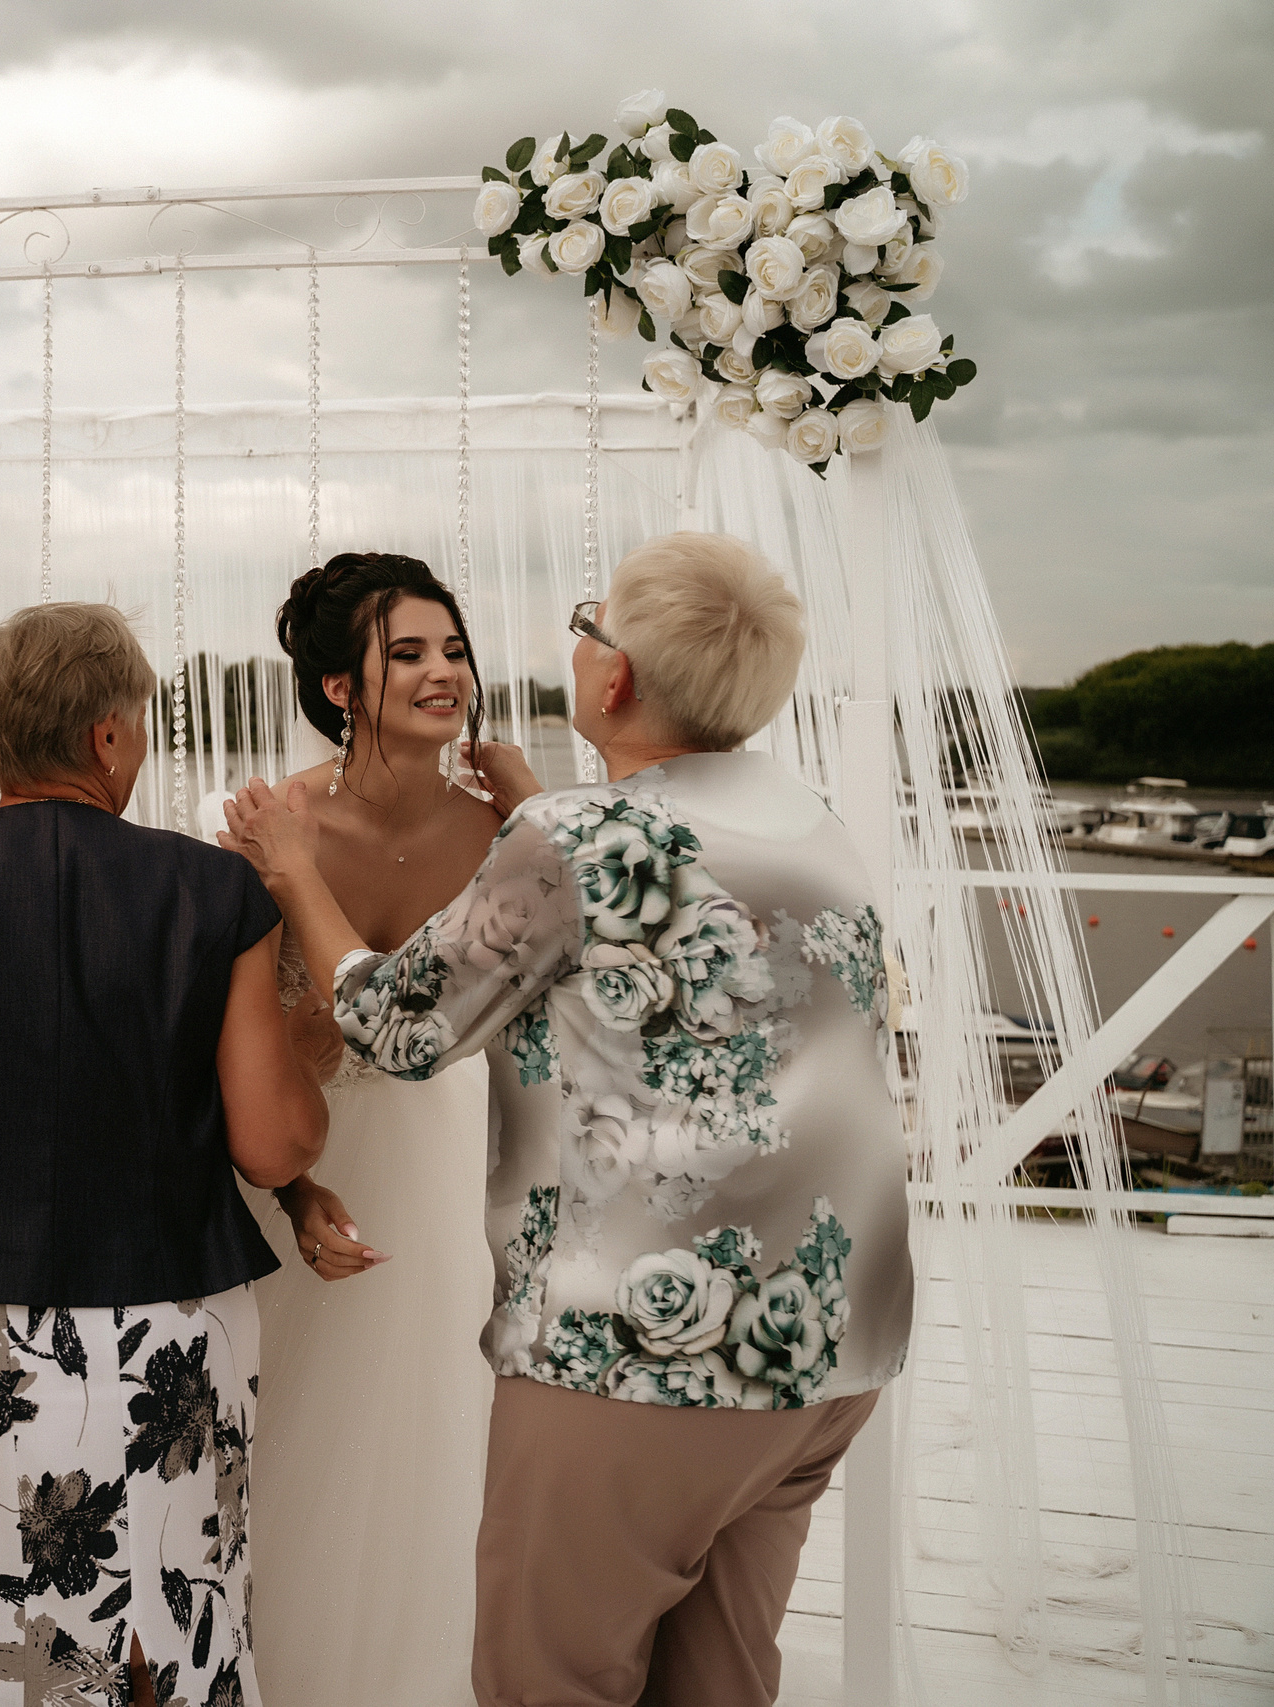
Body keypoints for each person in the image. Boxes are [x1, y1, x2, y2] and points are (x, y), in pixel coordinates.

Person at [224, 532, 914, 1707]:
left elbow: (400, 1029)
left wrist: (292, 876)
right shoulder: (811, 820)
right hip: (831, 1342)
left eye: (590, 625)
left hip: (644, 1360)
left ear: (618, 680)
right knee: (722, 1679)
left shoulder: (574, 838)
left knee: (552, 1680)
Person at [0, 601, 330, 1707]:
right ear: (106, 735)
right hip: (165, 1324)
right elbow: (271, 1139)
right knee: (169, 1620)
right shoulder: (212, 891)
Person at [230, 553, 540, 1707]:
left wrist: (535, 810)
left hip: (455, 1155)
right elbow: (237, 1032)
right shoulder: (276, 826)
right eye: (404, 653)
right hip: (310, 1156)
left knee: (439, 1436)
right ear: (338, 688)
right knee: (299, 1434)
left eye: (451, 648)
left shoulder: (509, 829)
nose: (440, 672)